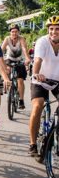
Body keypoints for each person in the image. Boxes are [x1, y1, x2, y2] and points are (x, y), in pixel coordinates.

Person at [29, 15, 59, 156]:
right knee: (37, 106)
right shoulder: (42, 42)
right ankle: (33, 144)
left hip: (57, 81)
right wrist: (36, 73)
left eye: (57, 29)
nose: (54, 32)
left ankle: (55, 131)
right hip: (40, 80)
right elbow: (38, 60)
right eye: (51, 29)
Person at [1, 24, 31, 109]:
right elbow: (1, 50)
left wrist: (27, 58)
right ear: (10, 32)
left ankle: (21, 100)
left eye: (16, 31)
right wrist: (0, 60)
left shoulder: (21, 39)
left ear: (18, 32)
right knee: (6, 71)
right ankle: (7, 84)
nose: (14, 33)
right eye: (12, 31)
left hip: (19, 60)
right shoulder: (7, 39)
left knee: (20, 80)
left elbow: (24, 49)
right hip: (9, 59)